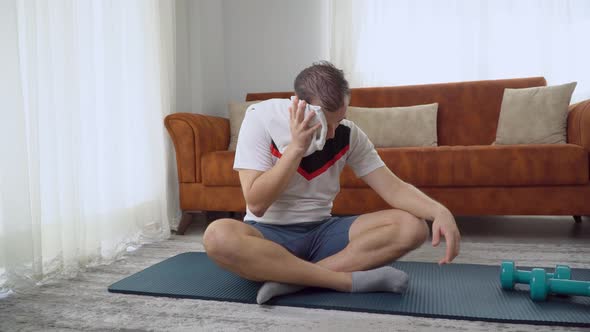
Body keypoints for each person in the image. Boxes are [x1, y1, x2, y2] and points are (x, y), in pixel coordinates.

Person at [203, 61, 461, 304]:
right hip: (267, 235)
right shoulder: (259, 119)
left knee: (412, 227)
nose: (335, 131)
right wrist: (296, 148)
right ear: (304, 108)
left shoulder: (348, 134)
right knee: (217, 236)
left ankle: (293, 280)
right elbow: (257, 203)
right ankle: (342, 280)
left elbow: (393, 188)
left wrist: (440, 211)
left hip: (323, 234)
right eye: (328, 123)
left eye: (339, 119)